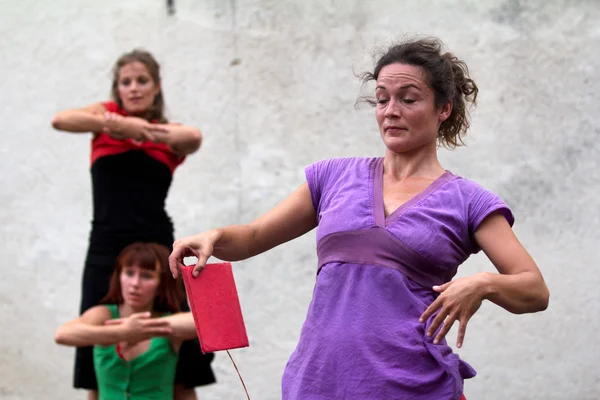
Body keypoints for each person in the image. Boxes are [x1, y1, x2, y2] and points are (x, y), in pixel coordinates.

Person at [168, 37, 550, 400]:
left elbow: (533, 289)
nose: (390, 111)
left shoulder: (468, 201)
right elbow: (253, 235)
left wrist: (482, 284)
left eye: (409, 99)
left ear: (444, 108)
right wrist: (213, 237)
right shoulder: (332, 177)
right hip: (317, 380)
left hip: (412, 385)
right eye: (382, 99)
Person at [51, 49, 215, 400]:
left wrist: (146, 132)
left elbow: (194, 138)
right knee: (94, 348)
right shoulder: (104, 118)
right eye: (126, 82)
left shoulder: (168, 135)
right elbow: (60, 120)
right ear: (117, 89)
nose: (134, 88)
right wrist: (117, 124)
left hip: (156, 245)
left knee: (183, 363)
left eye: (142, 81)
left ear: (156, 88)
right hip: (106, 245)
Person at [55, 242, 200, 400]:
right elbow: (62, 334)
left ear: (160, 285)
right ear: (119, 277)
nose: (135, 284)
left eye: (147, 276)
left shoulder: (168, 320)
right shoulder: (103, 314)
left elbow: (202, 323)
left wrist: (142, 329)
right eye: (129, 273)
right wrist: (123, 332)